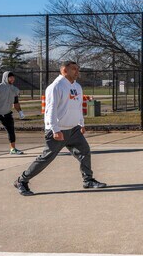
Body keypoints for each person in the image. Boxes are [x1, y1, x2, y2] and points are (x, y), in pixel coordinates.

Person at [13, 61, 106, 196]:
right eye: (74, 69)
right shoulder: (56, 86)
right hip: (58, 130)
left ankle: (88, 180)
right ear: (64, 70)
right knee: (46, 158)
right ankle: (21, 181)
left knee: (85, 151)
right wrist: (55, 130)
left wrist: (81, 123)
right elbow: (50, 110)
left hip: (74, 129)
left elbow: (78, 107)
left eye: (77, 69)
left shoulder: (77, 87)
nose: (77, 71)